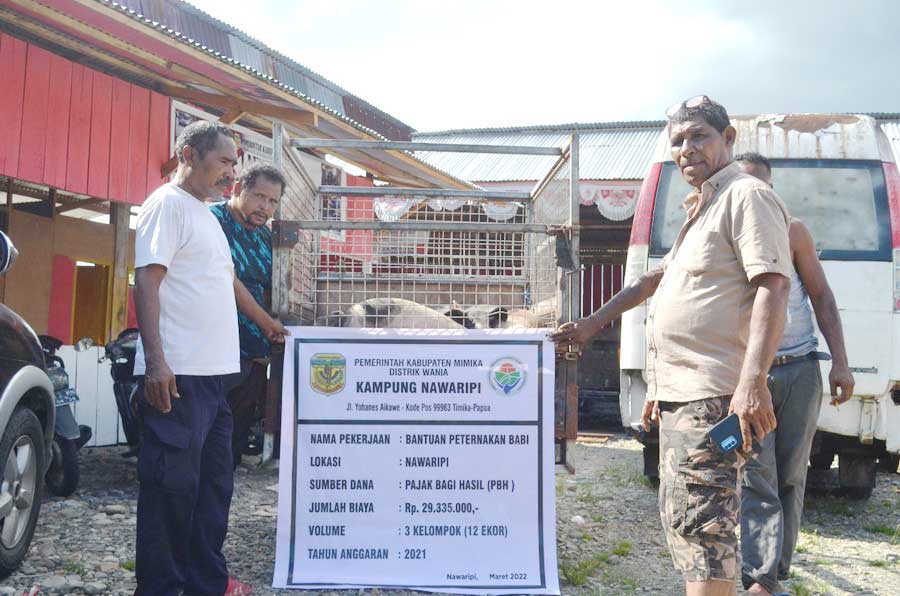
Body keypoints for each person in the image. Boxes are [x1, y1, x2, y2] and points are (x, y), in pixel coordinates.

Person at [552, 96, 792, 596]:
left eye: (699, 136)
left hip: (714, 396)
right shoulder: (702, 207)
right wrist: (592, 325)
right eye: (678, 141)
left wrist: (751, 383)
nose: (687, 149)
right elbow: (655, 281)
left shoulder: (746, 196)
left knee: (705, 530)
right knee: (688, 523)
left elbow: (773, 284)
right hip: (686, 395)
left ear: (728, 140)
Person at [133, 120, 284, 596]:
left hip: (215, 379)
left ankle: (205, 582)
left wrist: (264, 322)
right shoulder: (167, 205)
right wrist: (156, 363)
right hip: (179, 377)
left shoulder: (205, 213)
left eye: (233, 165)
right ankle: (160, 587)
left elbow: (226, 283)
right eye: (222, 161)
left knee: (213, 488)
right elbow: (147, 282)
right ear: (188, 154)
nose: (229, 174)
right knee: (170, 491)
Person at [735, 152, 855, 596]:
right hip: (750, 378)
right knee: (756, 474)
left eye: (761, 187)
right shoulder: (725, 231)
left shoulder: (793, 231)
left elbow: (821, 297)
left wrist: (839, 361)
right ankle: (760, 579)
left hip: (800, 370)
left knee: (789, 476)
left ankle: (774, 574)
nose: (752, 195)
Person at [210, 163, 287, 469]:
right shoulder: (212, 221)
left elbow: (274, 292)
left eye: (272, 202)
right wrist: (268, 324)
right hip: (213, 350)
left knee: (232, 437)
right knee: (204, 430)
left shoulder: (267, 240)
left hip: (252, 355)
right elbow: (226, 281)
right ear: (238, 187)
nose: (265, 207)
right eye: (259, 196)